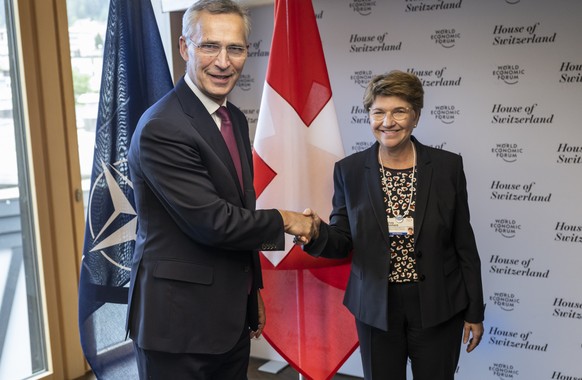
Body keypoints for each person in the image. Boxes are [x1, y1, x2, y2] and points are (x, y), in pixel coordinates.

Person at [126, 1, 316, 378]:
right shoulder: (163, 127)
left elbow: (240, 205)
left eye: (236, 48)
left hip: (227, 320)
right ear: (184, 48)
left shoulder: (232, 119)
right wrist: (289, 220)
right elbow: (213, 222)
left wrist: (252, 293)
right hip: (177, 328)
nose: (224, 62)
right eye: (209, 46)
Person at [302, 70, 484, 380]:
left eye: (399, 111)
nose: (388, 122)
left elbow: (463, 242)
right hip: (376, 307)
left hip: (438, 303)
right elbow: (343, 239)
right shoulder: (350, 171)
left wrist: (474, 311)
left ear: (416, 115)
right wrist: (314, 233)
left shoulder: (447, 167)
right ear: (369, 117)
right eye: (379, 112)